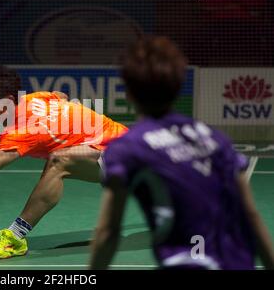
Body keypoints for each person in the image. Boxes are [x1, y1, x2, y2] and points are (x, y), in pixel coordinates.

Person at [89, 36, 274, 270]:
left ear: (128, 93)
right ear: (178, 87)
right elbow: (250, 216)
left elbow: (108, 233)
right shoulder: (215, 139)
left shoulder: (127, 149)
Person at [0, 65, 128, 259]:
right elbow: (60, 95)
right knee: (59, 159)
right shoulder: (33, 98)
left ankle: (15, 237)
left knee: (59, 161)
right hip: (115, 146)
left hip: (122, 153)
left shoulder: (21, 131)